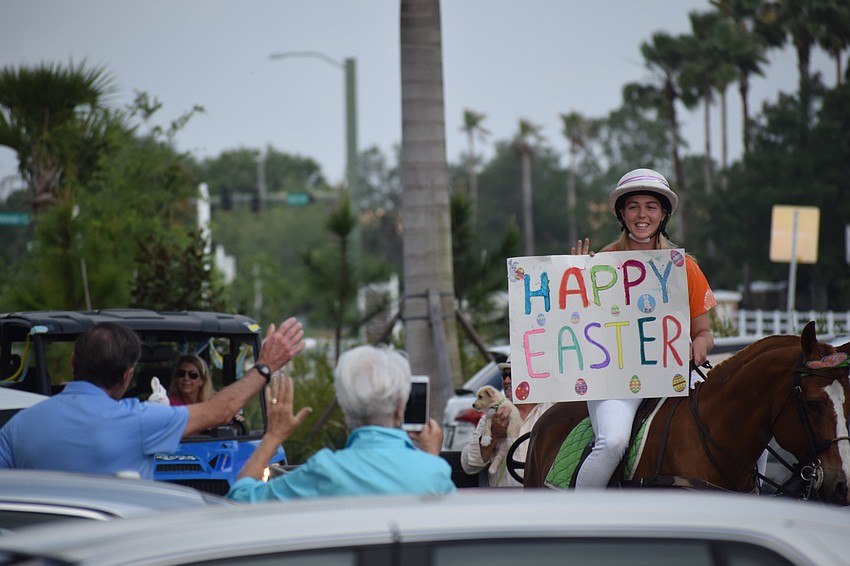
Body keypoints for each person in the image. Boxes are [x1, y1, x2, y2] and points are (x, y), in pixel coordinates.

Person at [0, 318, 305, 480]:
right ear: (127, 377)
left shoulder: (18, 426)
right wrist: (264, 366)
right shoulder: (139, 420)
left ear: (72, 363)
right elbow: (220, 411)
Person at [572, 167, 716, 490]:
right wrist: (573, 275)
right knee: (612, 443)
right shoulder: (598, 264)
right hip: (615, 378)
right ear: (622, 214)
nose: (642, 214)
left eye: (651, 206)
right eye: (633, 206)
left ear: (663, 214)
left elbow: (704, 332)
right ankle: (577, 516)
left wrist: (700, 345)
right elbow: (576, 325)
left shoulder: (685, 267)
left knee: (738, 418)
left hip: (675, 373)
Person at [226, 344, 456, 501]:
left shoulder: (324, 471)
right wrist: (430, 459)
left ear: (346, 409)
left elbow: (239, 500)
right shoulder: (434, 472)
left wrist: (272, 438)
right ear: (399, 408)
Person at [460, 356, 553, 487]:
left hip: (544, 503)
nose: (507, 380)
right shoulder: (492, 415)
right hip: (505, 504)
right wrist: (494, 435)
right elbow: (470, 465)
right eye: (504, 375)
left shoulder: (551, 411)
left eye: (513, 374)